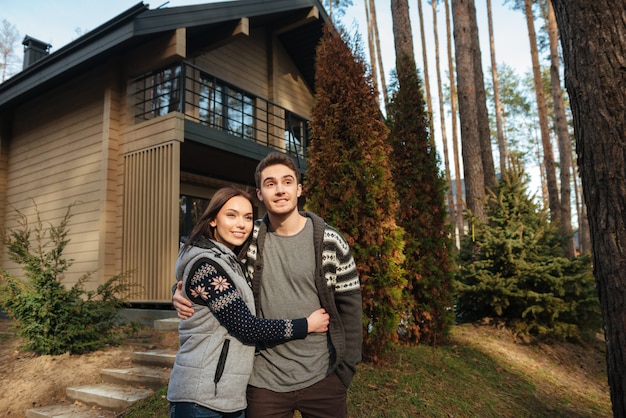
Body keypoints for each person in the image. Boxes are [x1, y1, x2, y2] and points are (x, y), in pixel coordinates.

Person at [173, 153, 363, 418]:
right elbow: (207, 262)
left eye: (287, 181)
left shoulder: (329, 241)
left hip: (323, 377)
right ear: (260, 193)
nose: (280, 189)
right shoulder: (247, 240)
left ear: (299, 189)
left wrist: (345, 370)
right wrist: (181, 291)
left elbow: (351, 306)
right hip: (263, 382)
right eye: (270, 183)